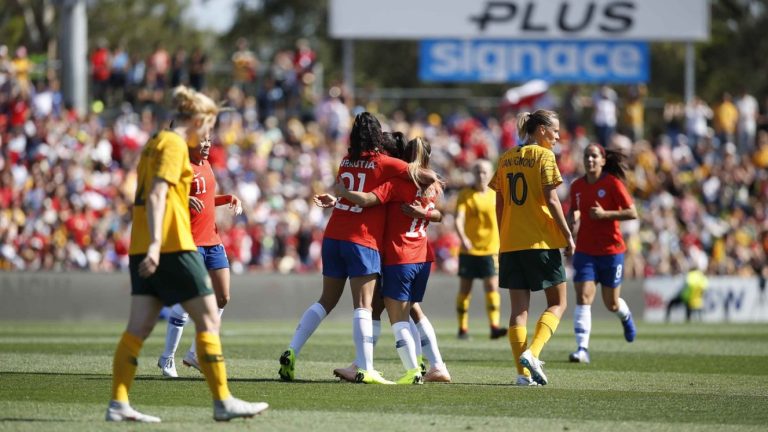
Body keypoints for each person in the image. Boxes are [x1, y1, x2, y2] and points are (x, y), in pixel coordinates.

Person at [106, 86, 267, 423]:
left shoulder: (154, 143)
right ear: (196, 120)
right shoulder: (175, 145)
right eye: (208, 125)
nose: (209, 134)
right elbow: (156, 195)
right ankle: (223, 400)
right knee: (209, 316)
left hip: (144, 244)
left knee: (139, 326)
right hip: (172, 245)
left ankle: (119, 403)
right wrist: (156, 245)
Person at [278, 112, 410, 385]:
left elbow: (346, 191)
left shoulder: (345, 161)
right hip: (361, 240)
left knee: (325, 300)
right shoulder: (384, 163)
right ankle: (366, 368)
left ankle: (292, 349)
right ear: (377, 135)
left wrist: (335, 198)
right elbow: (414, 171)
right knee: (363, 305)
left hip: (333, 236)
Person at [333, 136, 450, 384]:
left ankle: (411, 368)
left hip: (398, 255)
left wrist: (342, 194)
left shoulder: (397, 184)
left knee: (394, 315)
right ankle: (434, 364)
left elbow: (367, 200)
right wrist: (427, 212)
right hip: (422, 255)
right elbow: (440, 214)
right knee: (410, 310)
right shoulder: (434, 186)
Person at [488, 110, 575, 386]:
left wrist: (504, 237)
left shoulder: (506, 157)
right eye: (555, 131)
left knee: (518, 311)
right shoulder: (545, 157)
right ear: (540, 130)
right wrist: (567, 234)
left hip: (512, 242)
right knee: (558, 303)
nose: (558, 136)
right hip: (540, 241)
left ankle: (522, 376)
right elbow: (552, 200)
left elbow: (499, 202)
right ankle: (533, 353)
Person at [157, 133, 243, 377]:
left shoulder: (206, 164)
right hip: (191, 243)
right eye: (202, 140)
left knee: (223, 297)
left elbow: (205, 200)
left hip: (213, 241)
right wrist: (186, 198)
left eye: (209, 140)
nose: (207, 145)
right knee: (188, 301)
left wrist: (228, 198)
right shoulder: (181, 165)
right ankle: (167, 358)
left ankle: (194, 353)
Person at [567, 143, 638, 364]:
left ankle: (625, 317)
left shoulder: (613, 184)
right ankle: (582, 349)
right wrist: (573, 219)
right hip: (585, 251)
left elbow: (632, 213)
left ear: (603, 160)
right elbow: (574, 209)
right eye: (587, 156)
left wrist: (605, 214)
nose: (590, 160)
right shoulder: (577, 186)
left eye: (594, 156)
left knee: (611, 303)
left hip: (611, 251)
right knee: (583, 296)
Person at [454, 159, 506, 340]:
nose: (481, 175)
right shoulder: (465, 195)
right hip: (469, 250)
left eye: (484, 172)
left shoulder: (496, 194)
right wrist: (464, 238)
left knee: (492, 287)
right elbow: (458, 219)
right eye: (477, 171)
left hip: (490, 249)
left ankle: (494, 327)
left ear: (491, 173)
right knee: (465, 289)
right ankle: (462, 329)